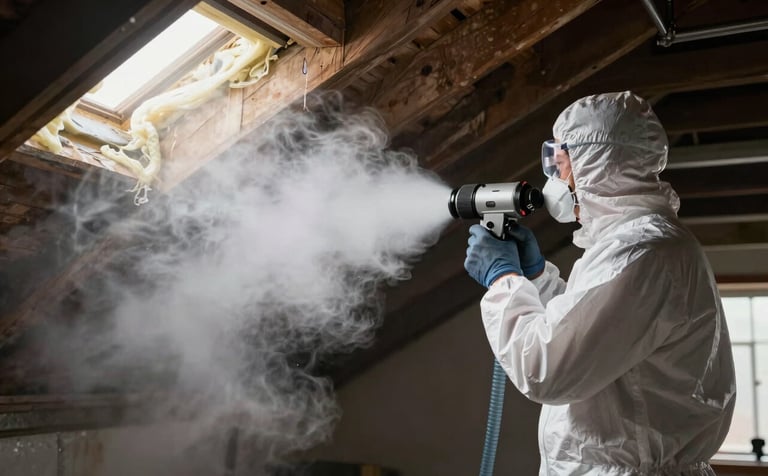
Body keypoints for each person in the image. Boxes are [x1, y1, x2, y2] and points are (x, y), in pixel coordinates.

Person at [464, 91, 736, 475]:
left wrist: (502, 278)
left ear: (596, 164)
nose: (555, 179)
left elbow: (546, 368)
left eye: (560, 164)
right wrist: (538, 277)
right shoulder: (638, 243)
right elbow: (598, 333)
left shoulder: (641, 252)